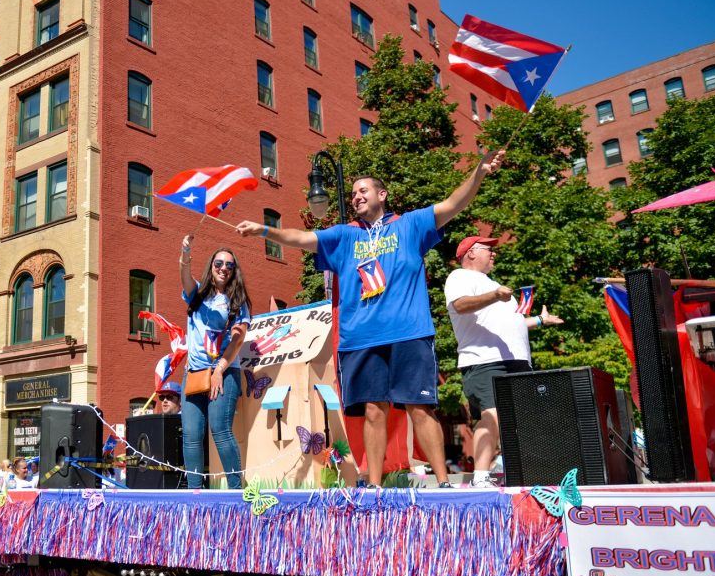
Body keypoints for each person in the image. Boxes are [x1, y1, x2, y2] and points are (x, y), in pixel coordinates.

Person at [236, 150, 506, 487]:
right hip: (361, 338)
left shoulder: (410, 224)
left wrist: (479, 172)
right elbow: (302, 239)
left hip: (409, 333)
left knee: (419, 409)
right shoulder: (345, 235)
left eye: (363, 190)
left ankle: (444, 483)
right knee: (374, 412)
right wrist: (265, 231)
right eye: (352, 194)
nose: (356, 196)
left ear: (382, 195)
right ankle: (375, 487)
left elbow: (454, 203)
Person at [444, 235, 564, 487]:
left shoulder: (494, 284)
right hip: (485, 360)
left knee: (521, 419)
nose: (494, 253)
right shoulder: (460, 277)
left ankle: (522, 473)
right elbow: (461, 305)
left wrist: (540, 320)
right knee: (493, 417)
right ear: (471, 253)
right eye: (489, 249)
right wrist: (495, 295)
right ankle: (480, 476)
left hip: (517, 362)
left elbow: (511, 324)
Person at [178, 235, 251, 490]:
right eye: (219, 263)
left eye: (229, 265)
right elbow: (184, 276)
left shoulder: (238, 302)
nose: (223, 268)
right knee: (191, 435)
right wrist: (185, 253)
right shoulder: (197, 295)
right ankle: (194, 493)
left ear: (234, 272)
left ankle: (236, 490)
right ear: (211, 266)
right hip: (195, 372)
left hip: (224, 371)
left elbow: (237, 342)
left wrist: (219, 369)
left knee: (220, 429)